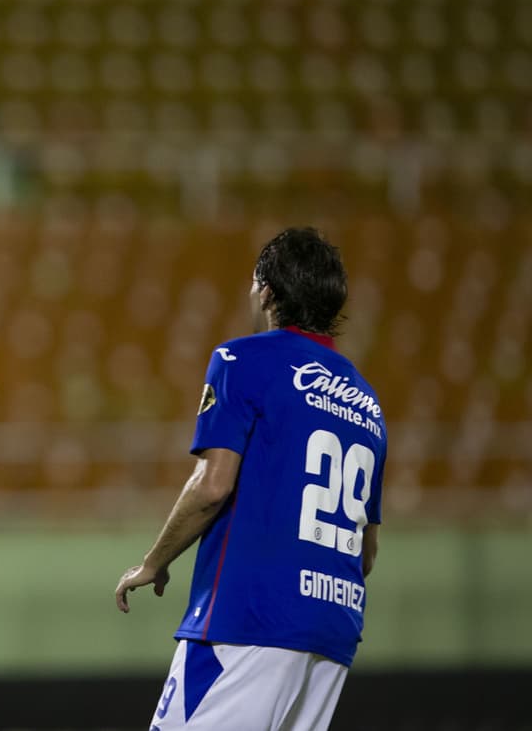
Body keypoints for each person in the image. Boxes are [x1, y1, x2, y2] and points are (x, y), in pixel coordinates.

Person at [114, 228, 389, 730]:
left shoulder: (242, 359)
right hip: (332, 633)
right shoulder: (367, 403)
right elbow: (365, 554)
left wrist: (153, 562)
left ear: (266, 290)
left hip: (249, 620)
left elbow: (213, 485)